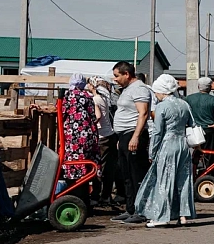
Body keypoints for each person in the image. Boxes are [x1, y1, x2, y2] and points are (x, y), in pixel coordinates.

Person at [133, 74, 196, 228]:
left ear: (161, 91)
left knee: (164, 181)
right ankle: (183, 215)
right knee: (184, 180)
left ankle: (162, 216)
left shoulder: (162, 106)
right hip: (183, 145)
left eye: (156, 92)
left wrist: (152, 152)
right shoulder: (184, 104)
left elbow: (157, 132)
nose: (155, 95)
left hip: (168, 145)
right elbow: (192, 124)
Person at [111, 61, 152, 224]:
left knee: (136, 174)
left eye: (117, 76)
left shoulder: (139, 89)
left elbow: (143, 114)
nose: (115, 79)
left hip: (133, 135)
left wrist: (135, 136)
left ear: (126, 74)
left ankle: (141, 210)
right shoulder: (128, 89)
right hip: (124, 136)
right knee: (125, 174)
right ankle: (130, 208)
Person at [59, 73, 101, 203]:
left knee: (74, 166)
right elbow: (94, 116)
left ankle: (76, 199)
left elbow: (62, 112)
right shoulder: (88, 96)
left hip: (74, 137)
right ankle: (86, 199)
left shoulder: (68, 96)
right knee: (86, 166)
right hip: (89, 135)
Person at [184, 76, 214, 175]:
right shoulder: (213, 99)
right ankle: (209, 176)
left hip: (193, 130)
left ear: (198, 86)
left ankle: (192, 174)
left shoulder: (189, 98)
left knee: (193, 153)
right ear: (210, 87)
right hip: (208, 130)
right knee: (209, 155)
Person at [87, 76, 117, 205]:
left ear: (93, 86)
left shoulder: (95, 99)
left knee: (99, 168)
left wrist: (90, 125)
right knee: (108, 167)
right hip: (109, 135)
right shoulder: (104, 99)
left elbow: (98, 115)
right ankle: (106, 195)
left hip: (101, 137)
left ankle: (96, 196)